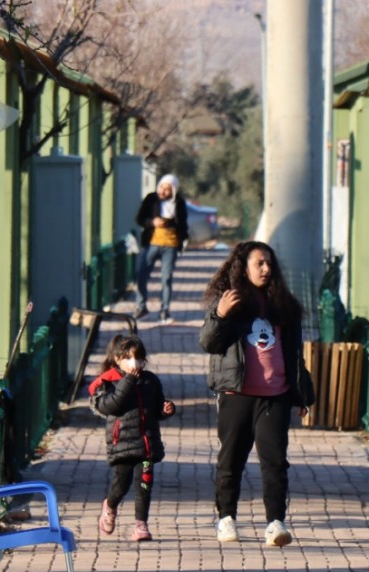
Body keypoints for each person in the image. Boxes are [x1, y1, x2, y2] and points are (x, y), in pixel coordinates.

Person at [198, 241, 315, 547]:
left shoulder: (283, 305)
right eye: (259, 263)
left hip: (275, 395)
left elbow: (294, 355)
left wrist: (301, 394)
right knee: (231, 460)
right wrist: (220, 315)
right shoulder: (230, 301)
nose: (266, 269)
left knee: (275, 462)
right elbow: (209, 343)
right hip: (236, 394)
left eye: (269, 264)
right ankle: (226, 519)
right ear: (244, 267)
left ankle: (275, 524)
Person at [88, 334, 177, 542]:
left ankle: (141, 524)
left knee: (144, 484)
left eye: (137, 358)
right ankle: (110, 506)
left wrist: (166, 410)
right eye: (128, 358)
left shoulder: (150, 381)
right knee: (121, 484)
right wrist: (128, 380)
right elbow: (112, 405)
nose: (133, 363)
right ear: (117, 359)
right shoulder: (108, 382)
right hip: (123, 445)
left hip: (146, 443)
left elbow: (156, 409)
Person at [134, 173, 189, 323]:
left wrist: (182, 241)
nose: (163, 192)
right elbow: (140, 219)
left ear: (173, 190)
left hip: (170, 245)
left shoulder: (179, 203)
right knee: (141, 274)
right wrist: (153, 222)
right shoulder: (151, 199)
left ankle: (164, 311)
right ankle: (141, 307)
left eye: (167, 189)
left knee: (166, 278)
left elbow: (183, 225)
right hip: (152, 243)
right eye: (161, 188)